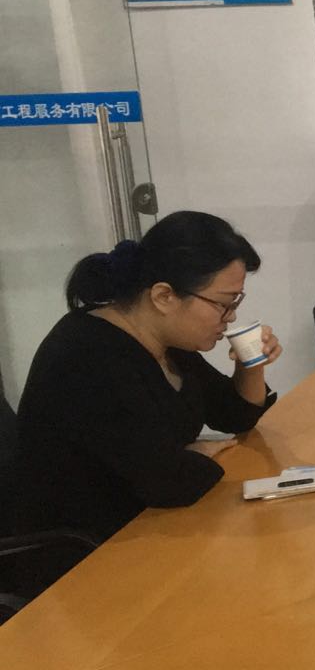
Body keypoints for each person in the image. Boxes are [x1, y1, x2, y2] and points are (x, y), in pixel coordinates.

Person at [14, 211, 281, 544]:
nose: (231, 316)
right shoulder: (89, 356)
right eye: (224, 303)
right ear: (163, 296)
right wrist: (195, 455)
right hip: (84, 548)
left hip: (149, 525)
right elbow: (171, 483)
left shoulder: (165, 339)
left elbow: (234, 416)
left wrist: (251, 362)